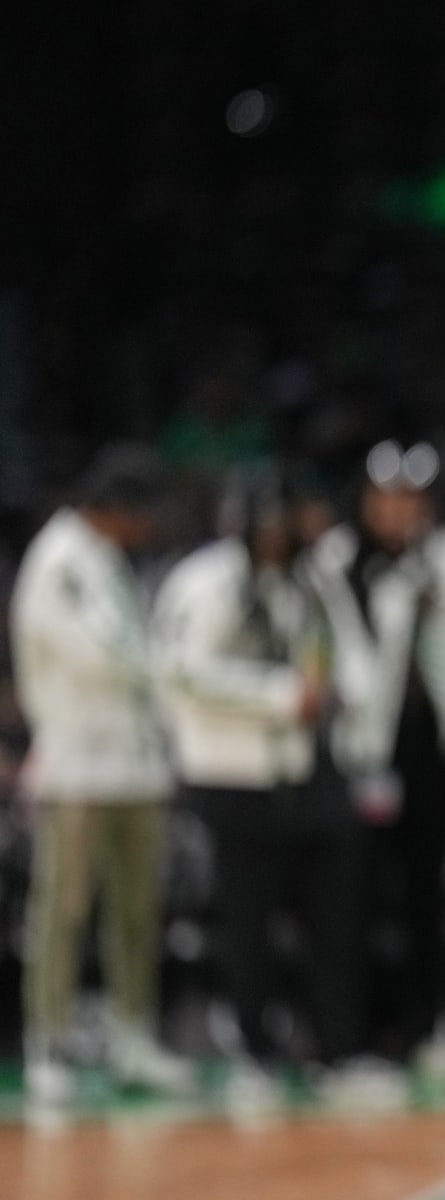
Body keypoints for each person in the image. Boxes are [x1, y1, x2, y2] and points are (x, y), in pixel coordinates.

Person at [152, 472, 369, 1113]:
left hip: (313, 770)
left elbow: (352, 654)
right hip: (235, 775)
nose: (282, 537)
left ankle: (339, 1050)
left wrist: (342, 697)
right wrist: (279, 696)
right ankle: (255, 1053)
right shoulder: (204, 582)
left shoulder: (315, 580)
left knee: (335, 917)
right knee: (248, 926)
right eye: (271, 524)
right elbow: (182, 671)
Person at [307, 440, 445, 1066]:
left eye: (408, 497)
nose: (396, 509)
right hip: (356, 751)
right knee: (352, 895)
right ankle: (359, 1031)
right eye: (385, 497)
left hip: (431, 748)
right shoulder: (334, 561)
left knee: (427, 892)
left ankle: (430, 1025)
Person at [10, 445, 194, 1117]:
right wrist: (176, 670)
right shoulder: (57, 561)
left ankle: (131, 1037)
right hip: (78, 763)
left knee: (135, 911)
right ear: (114, 510)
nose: (148, 528)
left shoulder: (108, 560)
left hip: (135, 765)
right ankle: (49, 1045)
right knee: (63, 911)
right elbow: (100, 658)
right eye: (142, 515)